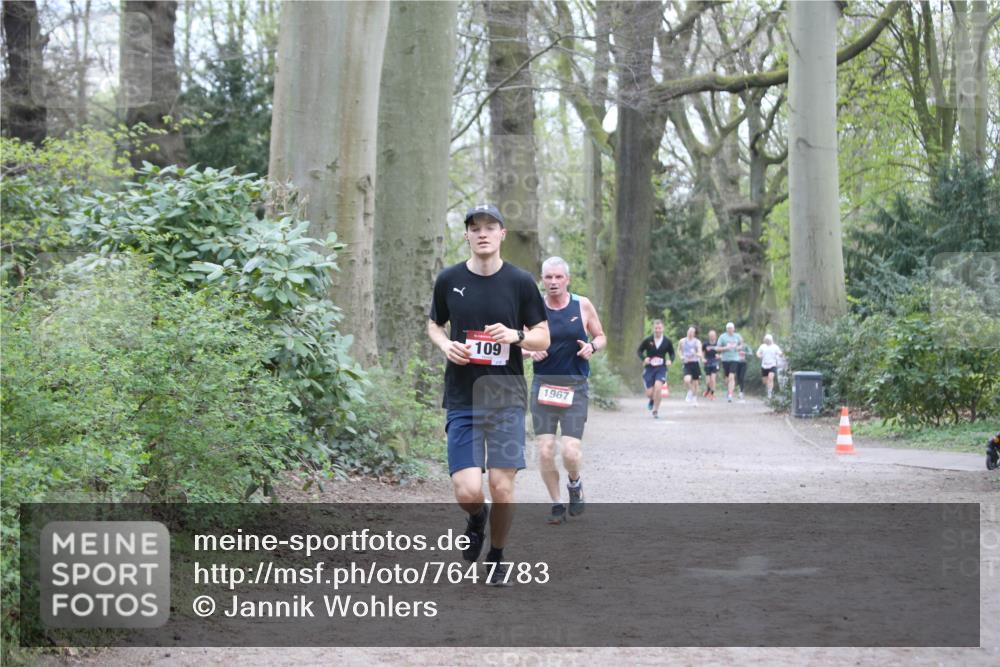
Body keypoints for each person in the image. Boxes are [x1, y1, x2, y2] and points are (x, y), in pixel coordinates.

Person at [427, 203, 549, 586]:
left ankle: (497, 554)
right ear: (466, 234)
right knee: (467, 490)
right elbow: (434, 324)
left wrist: (515, 336)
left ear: (502, 234)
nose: (482, 233)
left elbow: (543, 335)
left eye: (490, 226)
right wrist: (445, 346)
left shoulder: (521, 282)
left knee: (502, 485)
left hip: (506, 397)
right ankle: (476, 517)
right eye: (475, 227)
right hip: (463, 397)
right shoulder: (448, 280)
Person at [527, 257, 606, 525]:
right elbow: (518, 341)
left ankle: (574, 484)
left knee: (570, 452)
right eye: (548, 277)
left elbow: (600, 336)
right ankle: (556, 503)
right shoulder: (534, 308)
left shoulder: (581, 304)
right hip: (543, 387)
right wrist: (529, 351)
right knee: (546, 451)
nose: (553, 282)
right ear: (542, 279)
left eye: (558, 277)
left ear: (567, 279)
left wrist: (592, 347)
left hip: (575, 386)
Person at [637, 320, 674, 419]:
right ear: (653, 329)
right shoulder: (648, 340)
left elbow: (672, 353)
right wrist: (644, 358)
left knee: (658, 388)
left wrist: (670, 360)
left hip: (661, 368)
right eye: (656, 328)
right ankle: (652, 400)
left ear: (663, 329)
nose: (657, 330)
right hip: (649, 369)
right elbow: (639, 351)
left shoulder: (667, 341)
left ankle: (655, 410)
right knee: (649, 393)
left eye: (659, 328)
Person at [716, 322, 743, 402]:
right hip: (725, 359)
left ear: (734, 329)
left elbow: (741, 345)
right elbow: (717, 348)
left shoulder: (737, 336)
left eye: (731, 328)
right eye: (729, 328)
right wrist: (726, 348)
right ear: (726, 329)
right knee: (727, 378)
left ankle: (730, 394)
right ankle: (728, 391)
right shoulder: (722, 337)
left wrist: (738, 347)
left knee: (731, 376)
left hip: (734, 359)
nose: (730, 330)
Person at [678, 326, 703, 404]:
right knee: (687, 380)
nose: (690, 333)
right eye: (689, 331)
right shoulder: (682, 341)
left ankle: (695, 398)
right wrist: (681, 356)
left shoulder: (697, 342)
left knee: (695, 382)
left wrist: (695, 353)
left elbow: (700, 353)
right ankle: (690, 391)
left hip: (695, 363)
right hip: (687, 363)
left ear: (694, 334)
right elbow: (679, 350)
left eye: (692, 332)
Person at [756, 334, 784, 399]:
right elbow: (757, 353)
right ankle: (768, 389)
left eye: (769, 340)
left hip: (772, 365)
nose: (767, 341)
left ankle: (770, 393)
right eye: (766, 340)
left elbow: (780, 353)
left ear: (771, 340)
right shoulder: (762, 346)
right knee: (765, 381)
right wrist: (759, 356)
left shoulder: (775, 347)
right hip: (764, 366)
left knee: (770, 378)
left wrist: (782, 354)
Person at [702, 329, 720, 400]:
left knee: (713, 379)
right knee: (708, 381)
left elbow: (722, 352)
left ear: (715, 336)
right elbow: (702, 352)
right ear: (709, 336)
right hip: (707, 362)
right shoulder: (705, 344)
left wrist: (719, 356)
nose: (712, 337)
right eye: (711, 336)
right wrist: (702, 358)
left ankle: (712, 393)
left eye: (713, 335)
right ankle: (708, 390)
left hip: (715, 362)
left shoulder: (718, 344)